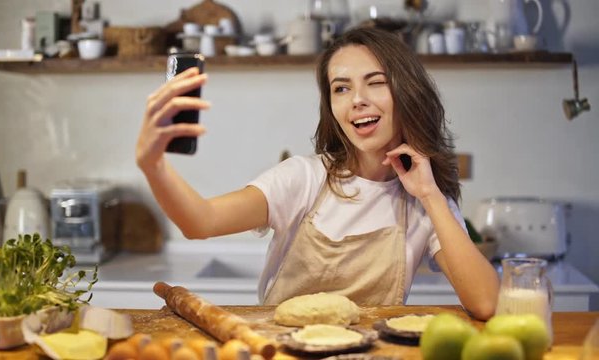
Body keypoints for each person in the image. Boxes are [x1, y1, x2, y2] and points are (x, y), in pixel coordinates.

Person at [136, 27, 499, 320]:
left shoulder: (425, 200)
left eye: (375, 82)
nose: (357, 99)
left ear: (408, 93)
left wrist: (431, 195)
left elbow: (486, 304)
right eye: (341, 88)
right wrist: (153, 166)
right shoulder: (304, 179)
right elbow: (201, 222)